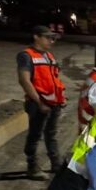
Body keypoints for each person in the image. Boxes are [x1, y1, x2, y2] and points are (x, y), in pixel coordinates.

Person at [17, 26, 66, 180]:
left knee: (51, 134)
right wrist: (39, 103)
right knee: (35, 135)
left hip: (54, 103)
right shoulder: (26, 55)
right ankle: (32, 167)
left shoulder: (49, 56)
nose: (51, 41)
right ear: (36, 37)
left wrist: (61, 98)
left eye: (53, 38)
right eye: (48, 37)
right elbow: (24, 80)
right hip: (38, 104)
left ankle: (56, 164)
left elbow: (54, 79)